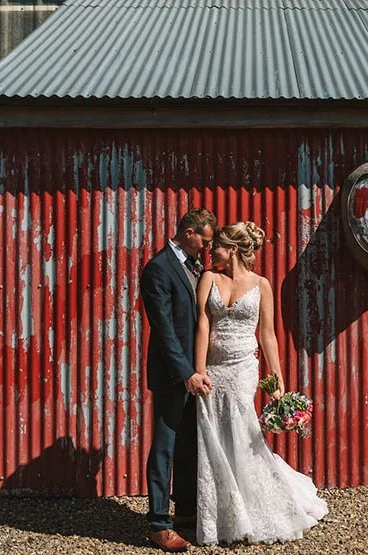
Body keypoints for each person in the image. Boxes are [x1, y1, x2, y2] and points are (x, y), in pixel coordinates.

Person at [193, 221, 328, 546]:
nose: (213, 253)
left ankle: (261, 507)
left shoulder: (261, 285)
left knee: (242, 434)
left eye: (218, 248)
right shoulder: (209, 278)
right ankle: (227, 514)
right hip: (213, 370)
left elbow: (267, 334)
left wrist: (277, 381)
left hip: (243, 370)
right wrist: (198, 371)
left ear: (233, 250)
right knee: (213, 440)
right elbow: (202, 324)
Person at [139, 208, 217, 553]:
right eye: (205, 239)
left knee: (189, 444)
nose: (207, 247)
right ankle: (159, 523)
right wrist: (186, 373)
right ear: (188, 232)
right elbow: (165, 330)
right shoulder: (157, 269)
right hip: (174, 375)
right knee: (165, 447)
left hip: (194, 373)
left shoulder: (193, 266)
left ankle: (185, 511)